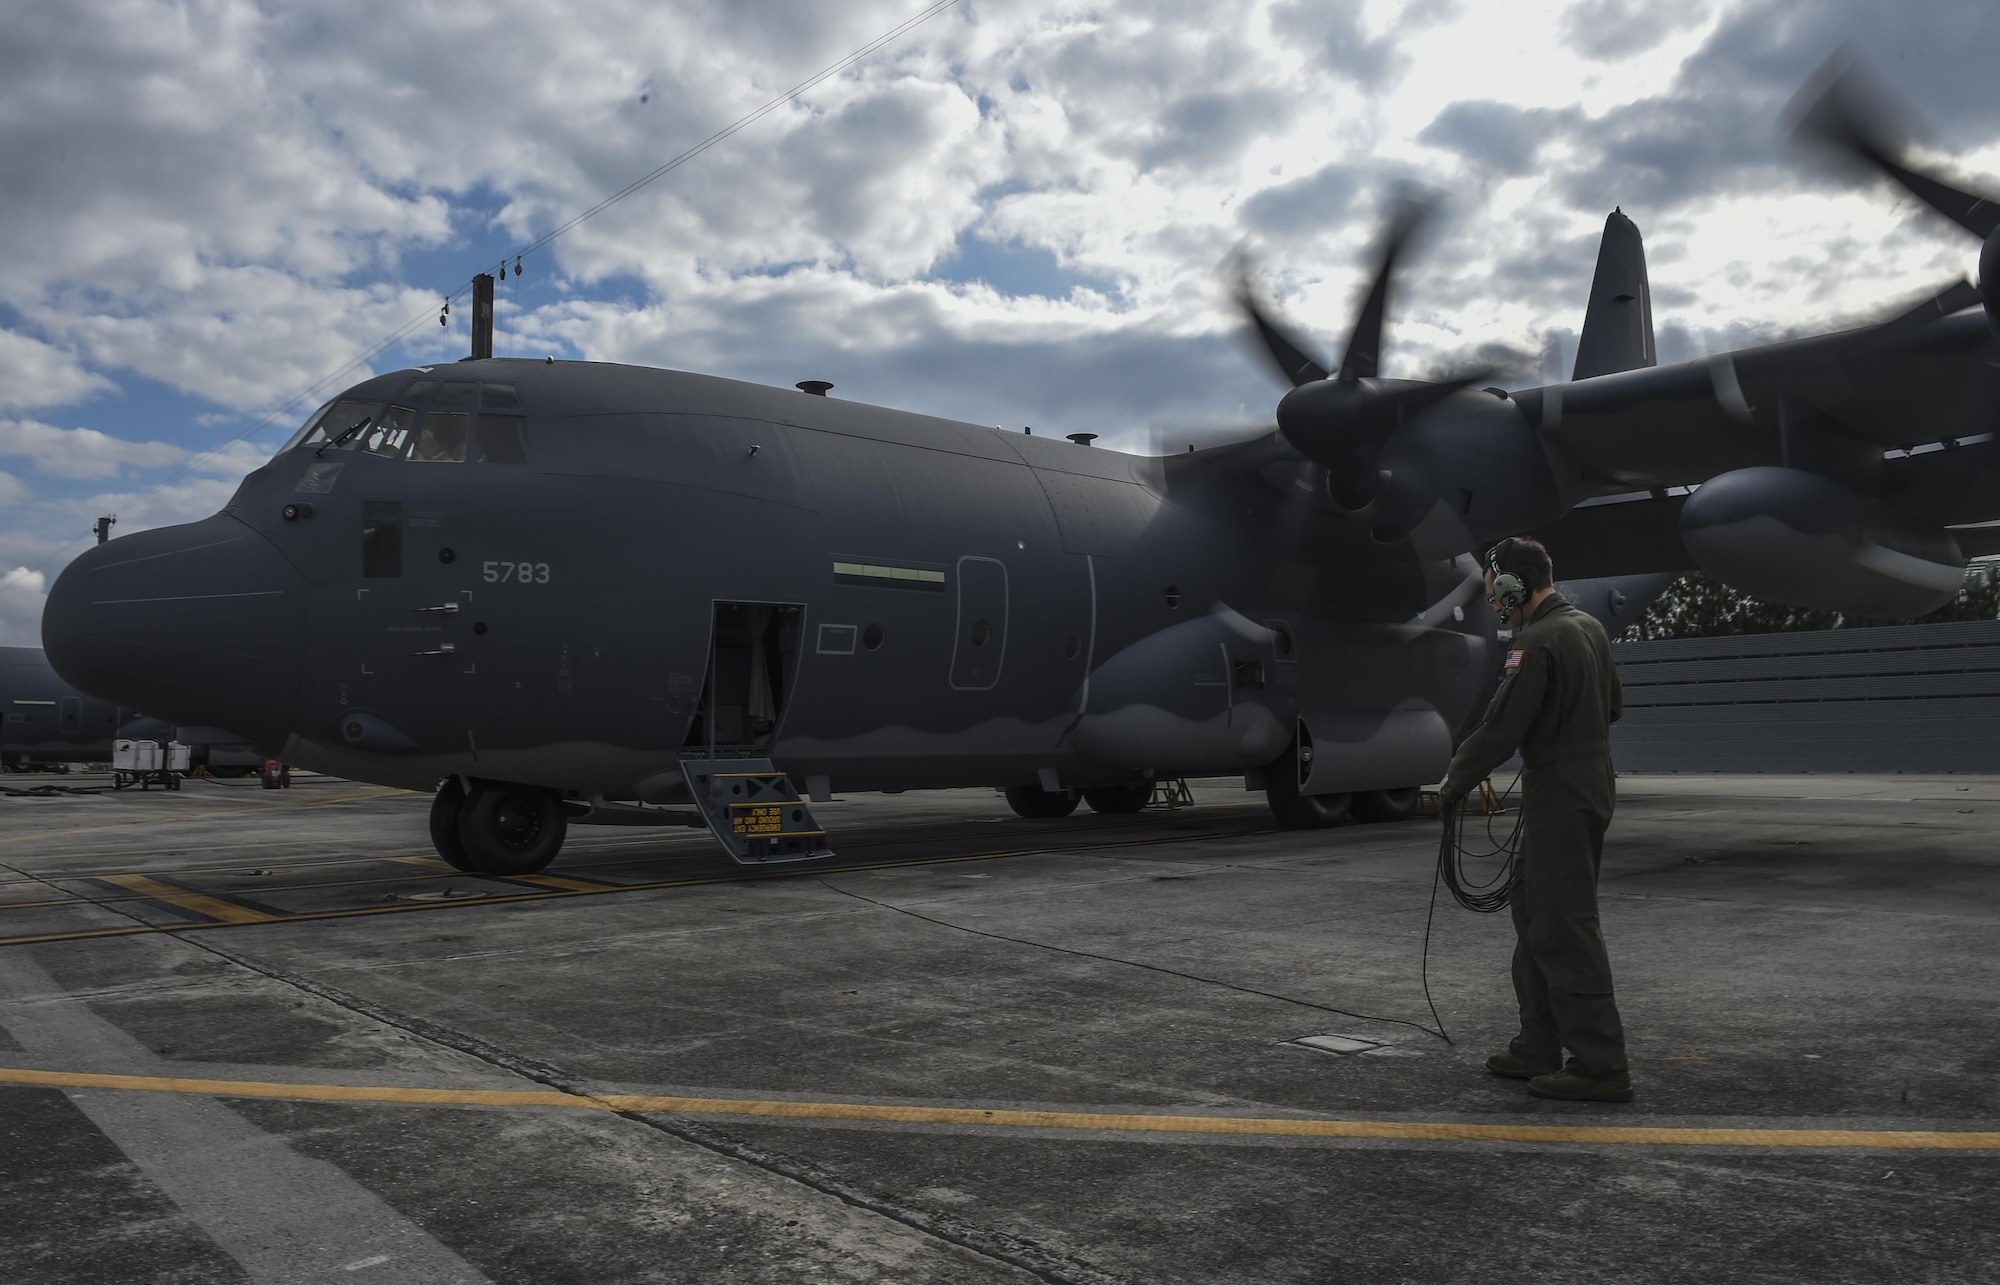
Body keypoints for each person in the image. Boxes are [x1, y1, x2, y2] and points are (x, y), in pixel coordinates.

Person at [1440, 536, 1631, 1103]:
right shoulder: (1589, 628)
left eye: (1497, 593)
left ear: (1512, 585)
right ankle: (1538, 1045)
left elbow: (1501, 729)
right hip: (1587, 778)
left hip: (1563, 787)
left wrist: (1456, 780)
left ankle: (1600, 1064)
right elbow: (1614, 706)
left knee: (1562, 924)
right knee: (1533, 910)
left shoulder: (1540, 640)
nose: (1496, 606)